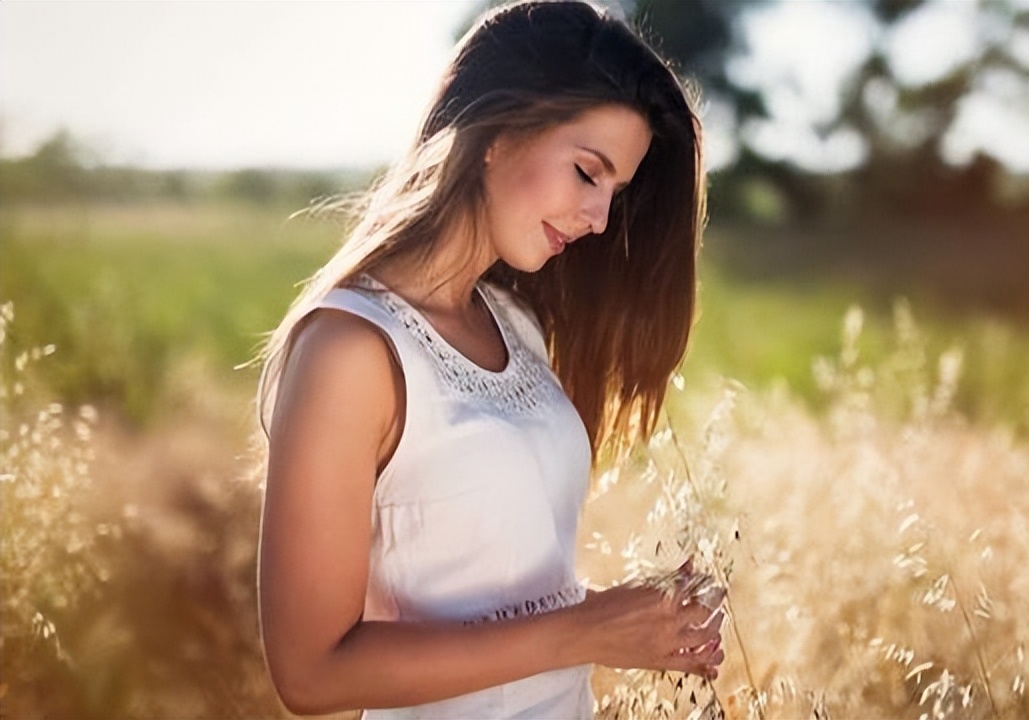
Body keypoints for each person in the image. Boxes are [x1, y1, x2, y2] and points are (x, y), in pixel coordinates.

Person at [253, 1, 723, 717]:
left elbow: (510, 589)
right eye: (587, 173)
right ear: (498, 133)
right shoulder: (352, 351)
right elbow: (311, 674)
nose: (600, 220)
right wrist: (585, 630)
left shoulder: (518, 324)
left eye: (616, 193)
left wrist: (637, 619)